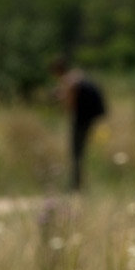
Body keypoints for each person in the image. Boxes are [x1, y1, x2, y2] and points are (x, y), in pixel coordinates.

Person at [50, 56, 106, 191]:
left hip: (81, 120)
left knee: (76, 152)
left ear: (57, 71)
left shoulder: (69, 82)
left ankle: (76, 185)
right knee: (79, 152)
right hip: (89, 118)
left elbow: (70, 105)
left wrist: (60, 100)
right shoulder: (77, 76)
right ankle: (78, 184)